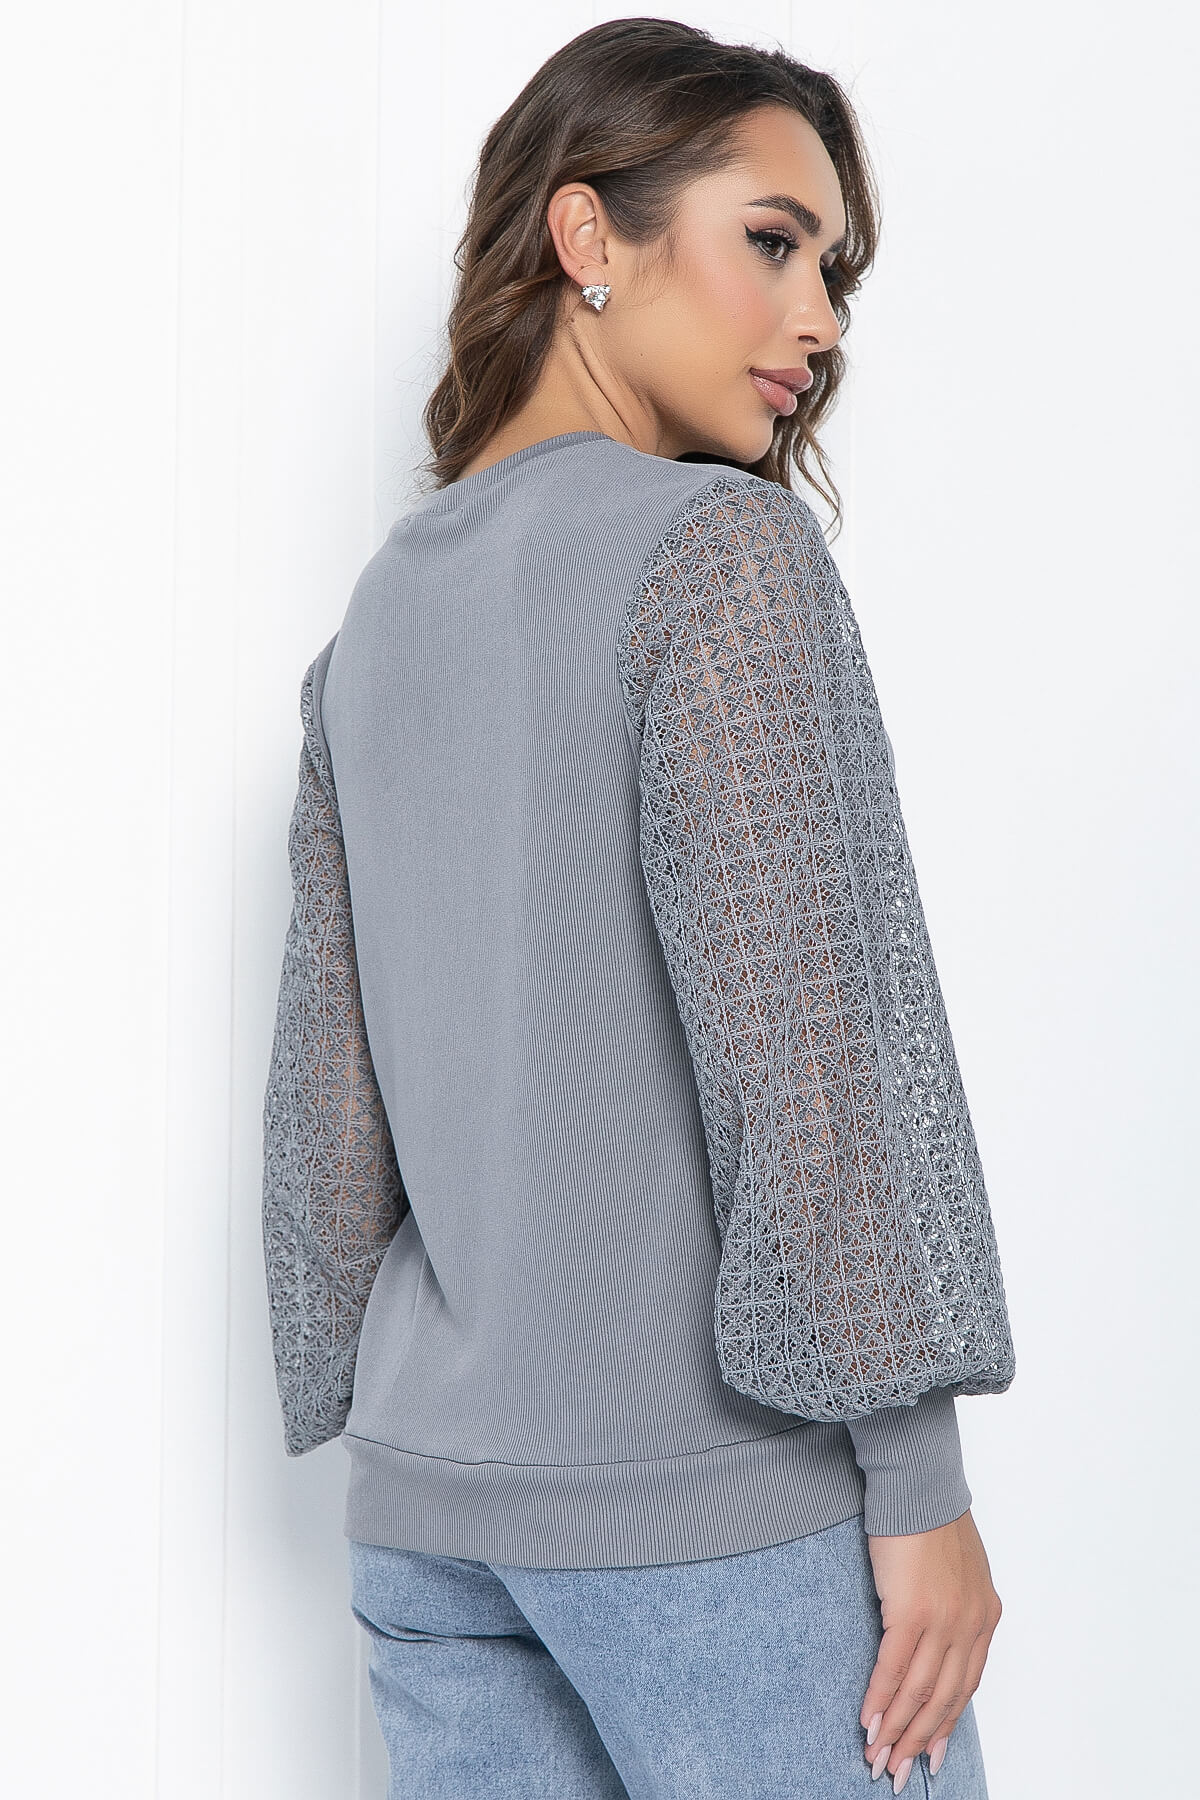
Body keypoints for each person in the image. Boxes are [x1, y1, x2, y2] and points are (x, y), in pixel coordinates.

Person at [260, 18, 1017, 1798]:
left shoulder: (374, 623)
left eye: (832, 272)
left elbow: (330, 1126)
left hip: (430, 1524)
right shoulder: (719, 557)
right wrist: (919, 1489)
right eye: (774, 241)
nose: (819, 320)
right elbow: (811, 1058)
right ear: (587, 234)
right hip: (702, 1514)